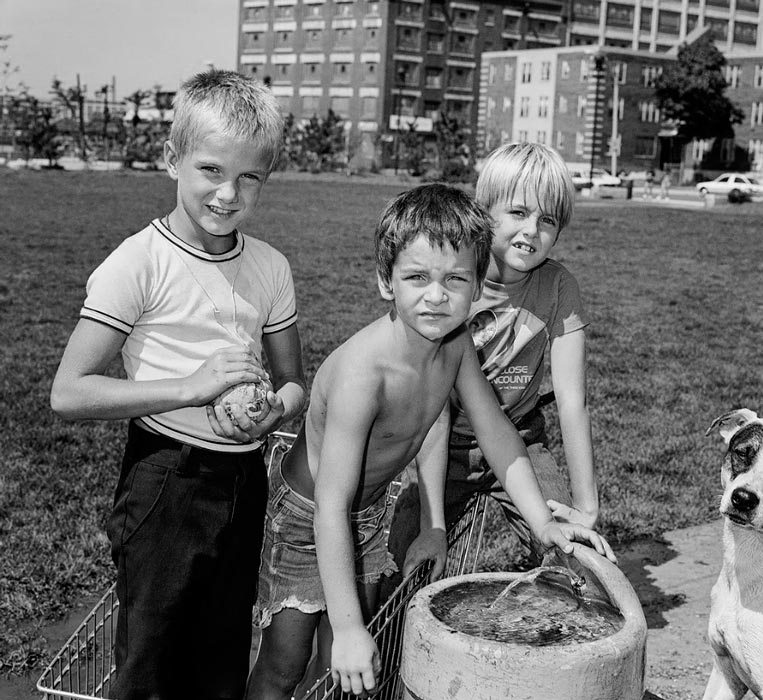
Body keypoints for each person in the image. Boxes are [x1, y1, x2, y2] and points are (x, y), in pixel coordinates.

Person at [246, 183, 613, 700]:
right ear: (385, 281)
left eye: (455, 279)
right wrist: (349, 630)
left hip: (367, 511)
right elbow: (331, 505)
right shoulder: (362, 375)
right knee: (287, 660)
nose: (437, 296)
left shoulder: (456, 345)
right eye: (417, 277)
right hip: (308, 518)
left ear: (476, 284)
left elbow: (498, 435)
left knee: (348, 653)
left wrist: (544, 523)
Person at [50, 70, 306, 700]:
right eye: (211, 170)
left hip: (244, 480)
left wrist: (272, 412)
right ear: (172, 160)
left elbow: (295, 380)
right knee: (149, 665)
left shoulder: (270, 266)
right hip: (165, 478)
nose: (229, 193)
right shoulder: (139, 262)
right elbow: (70, 392)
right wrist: (191, 386)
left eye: (250, 177)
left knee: (219, 661)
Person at [389, 142, 609, 590]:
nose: (532, 230)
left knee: (572, 562)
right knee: (399, 565)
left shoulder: (558, 286)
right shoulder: (452, 281)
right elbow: (429, 401)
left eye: (547, 220)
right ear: (483, 211)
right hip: (443, 440)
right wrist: (432, 522)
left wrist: (586, 506)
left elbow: (572, 400)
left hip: (523, 439)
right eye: (518, 212)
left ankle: (540, 645)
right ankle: (393, 657)